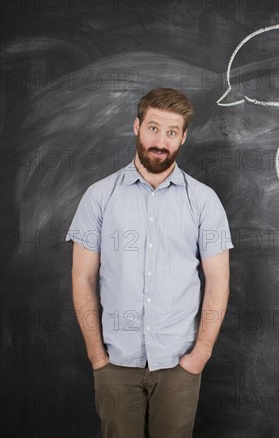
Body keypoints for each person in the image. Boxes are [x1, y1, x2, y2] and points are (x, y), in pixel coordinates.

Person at [66, 87, 233, 438]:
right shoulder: (99, 197)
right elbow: (82, 279)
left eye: (171, 132)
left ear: (183, 138)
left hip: (179, 363)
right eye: (153, 128)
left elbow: (218, 281)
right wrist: (97, 356)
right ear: (137, 126)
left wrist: (199, 355)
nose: (161, 140)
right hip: (116, 361)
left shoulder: (204, 201)